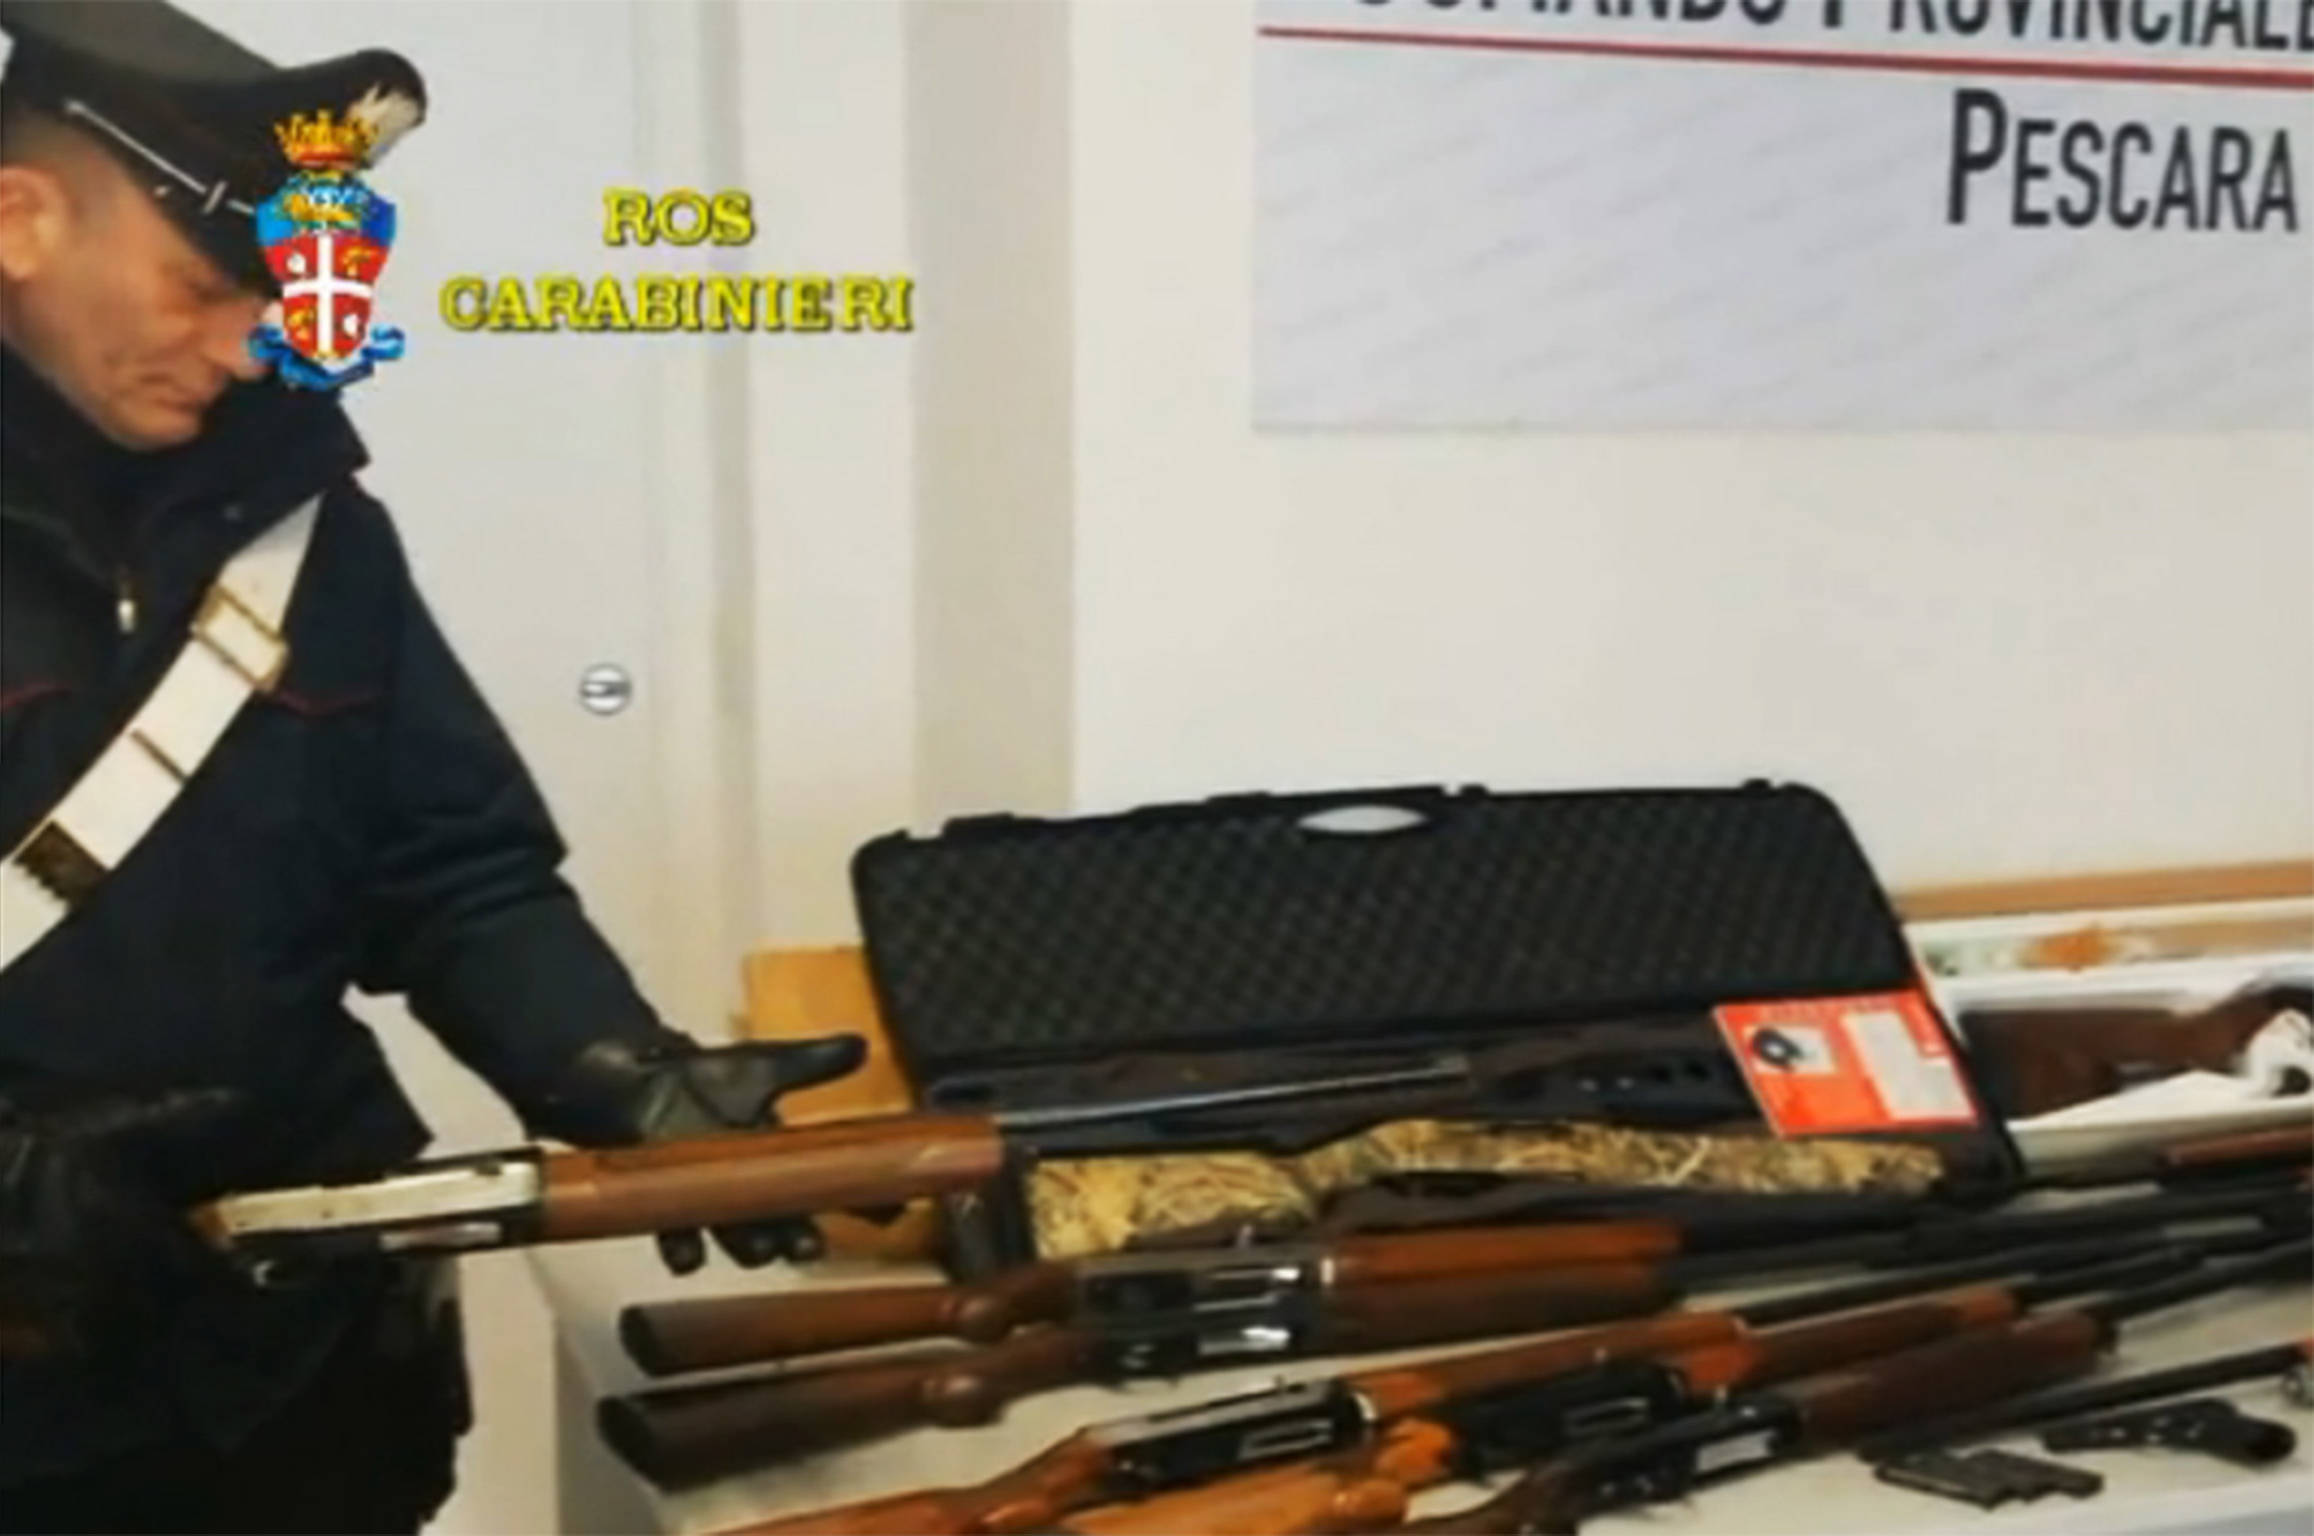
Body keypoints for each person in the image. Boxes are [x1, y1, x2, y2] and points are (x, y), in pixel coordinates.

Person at [0, 3, 865, 1530]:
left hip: (307, 1362)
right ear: (21, 219)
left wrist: (612, 1070)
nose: (244, 345)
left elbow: (451, 868)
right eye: (203, 289)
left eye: (269, 299)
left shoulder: (304, 519)